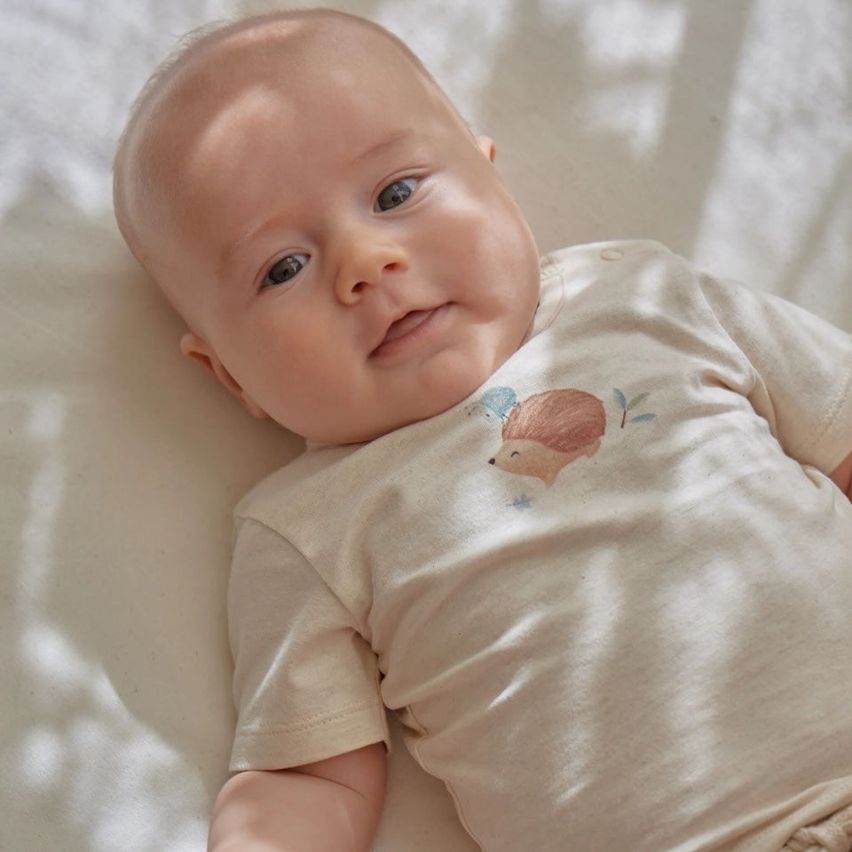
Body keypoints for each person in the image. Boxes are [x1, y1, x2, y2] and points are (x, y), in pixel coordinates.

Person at [112, 8, 852, 852]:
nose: (364, 262)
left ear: (490, 173)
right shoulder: (307, 529)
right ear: (230, 375)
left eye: (396, 193)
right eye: (283, 267)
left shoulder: (646, 295)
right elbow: (306, 774)